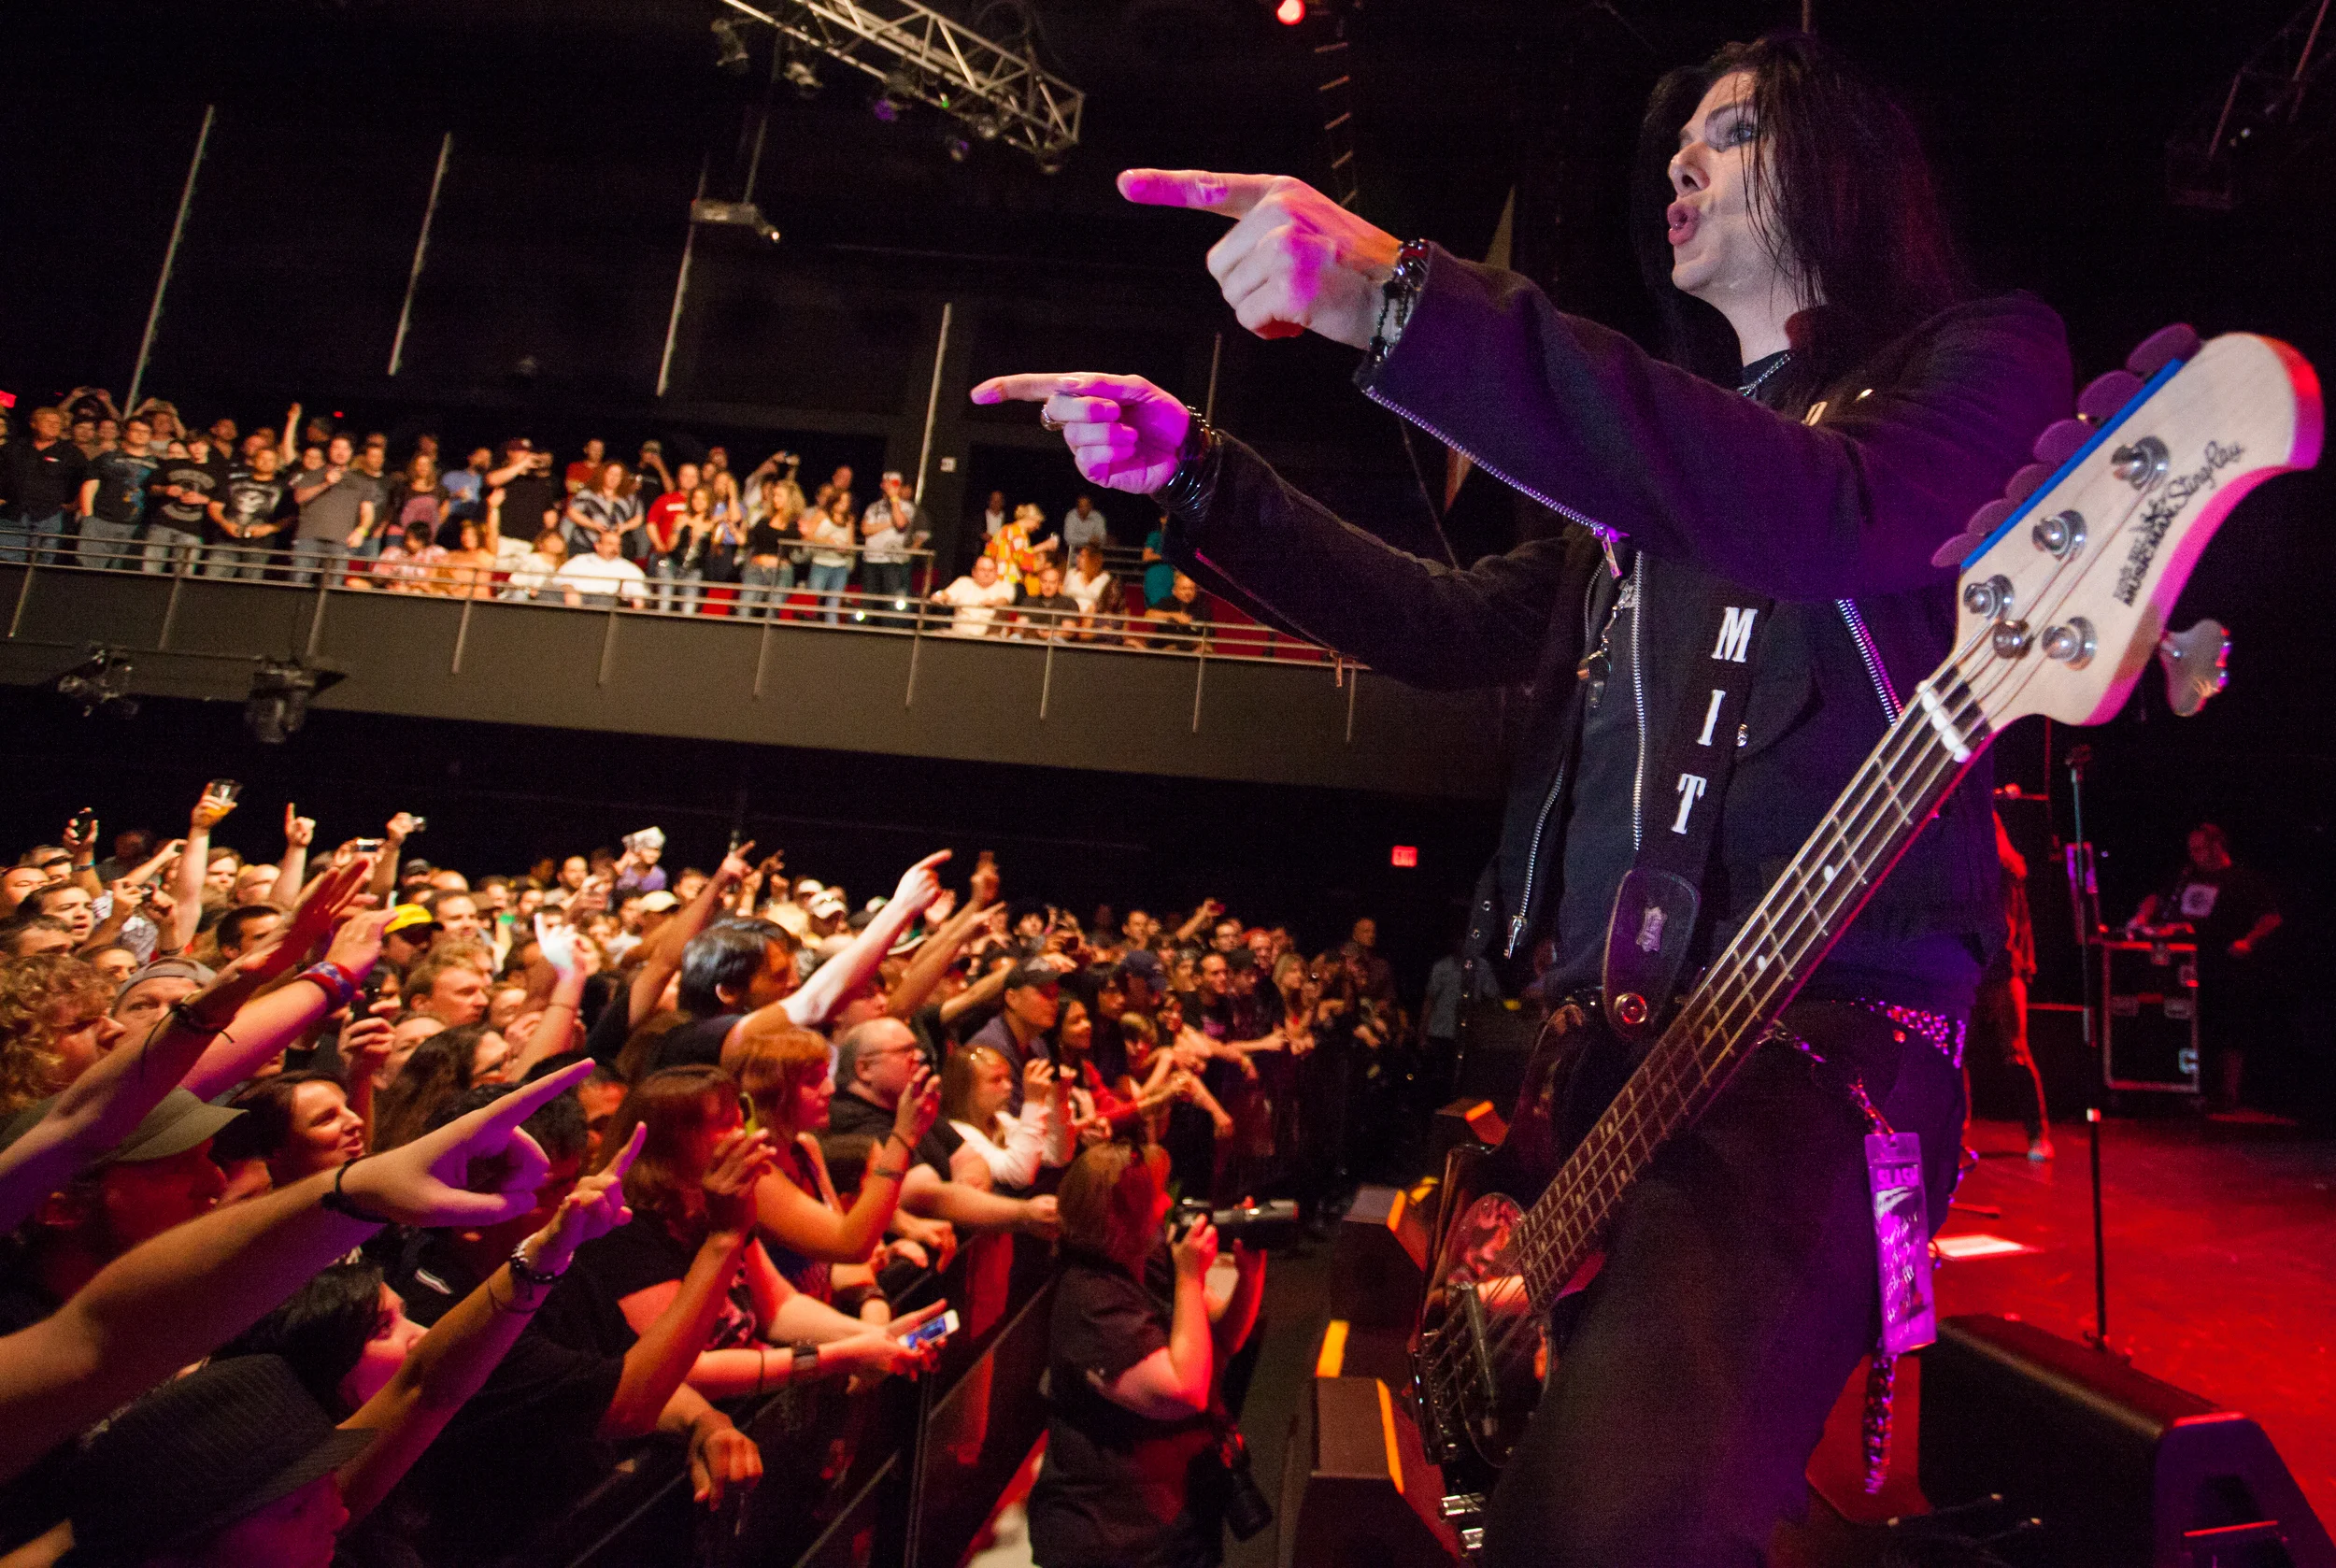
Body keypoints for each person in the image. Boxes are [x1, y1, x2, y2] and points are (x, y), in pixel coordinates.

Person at [979, 30, 2069, 1564]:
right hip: (1597, 1050)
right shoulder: (1659, 468)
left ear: (1856, 166)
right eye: (1678, 136)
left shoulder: (1975, 360)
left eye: (1735, 129)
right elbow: (1455, 626)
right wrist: (1203, 477)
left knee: (1614, 1518)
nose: (1683, 159)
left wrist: (1399, 301)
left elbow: (1838, 513)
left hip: (1816, 1034)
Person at [1025, 1141, 1265, 1568]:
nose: (1168, 1203)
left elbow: (1223, 1341)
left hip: (1172, 1520)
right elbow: (1183, 1390)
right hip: (1112, 1539)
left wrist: (1250, 1275)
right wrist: (1190, 1276)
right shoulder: (1090, 1301)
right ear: (1120, 1218)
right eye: (1155, 1195)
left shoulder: (1146, 1258)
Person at [2125, 822, 2283, 1111]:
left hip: (2224, 965)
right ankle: (2182, 1087)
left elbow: (2271, 918)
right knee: (2182, 1024)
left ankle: (2228, 1095)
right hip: (2182, 964)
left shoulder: (2243, 880)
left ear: (2217, 846)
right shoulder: (2186, 876)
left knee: (2228, 1030)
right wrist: (2142, 917)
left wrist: (2247, 941)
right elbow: (2155, 898)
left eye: (2199, 849)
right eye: (2191, 849)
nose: (2194, 855)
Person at [1973, 812, 2051, 1159]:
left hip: (2002, 968)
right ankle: (1955, 1133)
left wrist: (2020, 965)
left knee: (2016, 1052)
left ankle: (2038, 1135)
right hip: (1974, 965)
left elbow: (2013, 927)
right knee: (1954, 1053)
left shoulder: (2005, 871)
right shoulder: (1974, 868)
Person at [941, 1046, 1074, 1191]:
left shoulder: (1001, 1120)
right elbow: (1019, 1173)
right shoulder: (957, 1132)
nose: (1009, 1086)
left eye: (1007, 1078)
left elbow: (1057, 1155)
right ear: (965, 1088)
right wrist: (1033, 1102)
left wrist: (1059, 1099)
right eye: (996, 1080)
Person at [0, 406, 86, 567]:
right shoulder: (14, 448)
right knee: (7, 562)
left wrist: (73, 505)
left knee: (44, 563)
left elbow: (84, 482)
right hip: (13, 514)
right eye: (48, 422)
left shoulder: (71, 453)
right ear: (34, 424)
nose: (54, 426)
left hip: (50, 516)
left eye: (57, 423)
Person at [553, 525, 650, 609]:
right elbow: (558, 579)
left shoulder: (628, 568)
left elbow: (639, 593)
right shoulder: (580, 560)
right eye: (610, 544)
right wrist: (569, 590)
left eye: (618, 545)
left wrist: (638, 600)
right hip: (577, 602)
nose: (615, 548)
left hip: (608, 605)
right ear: (598, 546)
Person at [933, 553, 1017, 637]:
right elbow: (945, 594)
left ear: (996, 572)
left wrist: (994, 603)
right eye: (982, 570)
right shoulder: (963, 582)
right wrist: (939, 595)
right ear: (974, 572)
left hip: (991, 638)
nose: (986, 573)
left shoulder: (1005, 586)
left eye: (991, 570)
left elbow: (1004, 600)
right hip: (960, 637)